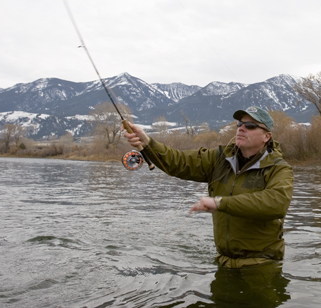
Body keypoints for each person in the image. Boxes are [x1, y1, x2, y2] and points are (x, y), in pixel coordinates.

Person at [123, 106, 294, 269]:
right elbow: (178, 161)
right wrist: (148, 143)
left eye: (250, 126)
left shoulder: (279, 169)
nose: (242, 129)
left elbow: (275, 204)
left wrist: (219, 203)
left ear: (266, 137)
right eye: (240, 124)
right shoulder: (219, 158)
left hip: (262, 265)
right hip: (223, 262)